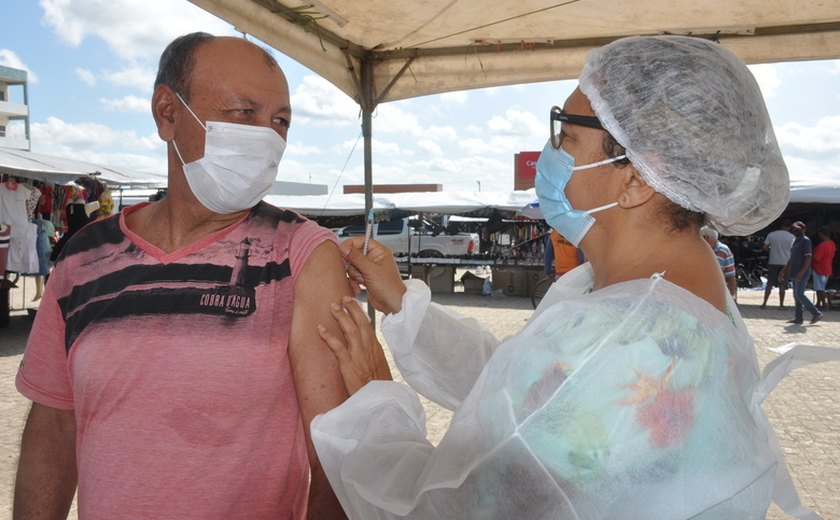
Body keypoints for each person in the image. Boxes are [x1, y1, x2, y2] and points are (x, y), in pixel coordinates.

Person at [310, 36, 824, 519]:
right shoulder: (670, 283)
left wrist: (372, 401)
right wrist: (403, 304)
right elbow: (530, 393)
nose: (550, 153)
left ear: (635, 178)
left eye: (568, 136)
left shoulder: (616, 340)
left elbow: (433, 507)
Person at [14, 33, 350, 519]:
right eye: (244, 112)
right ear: (168, 113)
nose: (268, 137)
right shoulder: (85, 257)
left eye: (280, 121)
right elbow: (54, 424)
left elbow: (333, 453)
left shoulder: (299, 254)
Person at [781, 221, 823, 325]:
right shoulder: (795, 241)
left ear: (804, 230)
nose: (796, 231)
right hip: (794, 271)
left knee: (799, 294)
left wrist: (802, 272)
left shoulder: (806, 241)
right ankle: (798, 317)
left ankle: (816, 313)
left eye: (799, 229)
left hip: (802, 272)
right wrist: (783, 271)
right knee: (796, 295)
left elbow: (808, 257)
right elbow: (791, 259)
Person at [761, 220, 795, 309]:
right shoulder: (792, 237)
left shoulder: (772, 234)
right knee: (782, 284)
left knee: (770, 283)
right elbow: (794, 250)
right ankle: (781, 304)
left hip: (773, 261)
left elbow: (764, 247)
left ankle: (764, 303)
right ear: (790, 227)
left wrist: (771, 251)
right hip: (785, 263)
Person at [700, 226, 737, 301]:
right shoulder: (699, 250)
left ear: (706, 238)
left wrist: (733, 297)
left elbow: (731, 276)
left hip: (719, 294)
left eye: (700, 238)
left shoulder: (724, 250)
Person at [812, 226, 836, 310]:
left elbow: (816, 258)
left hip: (820, 268)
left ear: (822, 234)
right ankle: (819, 303)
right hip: (827, 267)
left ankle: (824, 304)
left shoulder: (823, 245)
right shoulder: (832, 243)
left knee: (819, 287)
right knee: (821, 287)